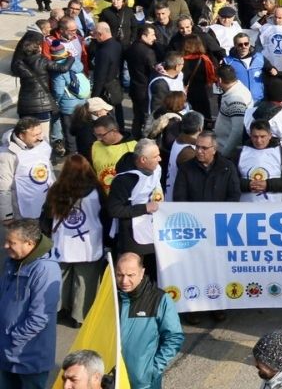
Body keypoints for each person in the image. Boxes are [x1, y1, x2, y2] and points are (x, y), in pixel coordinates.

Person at [40, 154, 106, 328]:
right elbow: (105, 215)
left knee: (60, 278)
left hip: (62, 243)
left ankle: (57, 311)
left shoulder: (56, 189)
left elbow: (46, 216)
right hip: (89, 243)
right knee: (85, 282)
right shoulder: (96, 189)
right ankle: (80, 316)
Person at [0, 219, 60, 389]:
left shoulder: (45, 269)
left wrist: (12, 339)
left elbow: (40, 318)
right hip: (6, 352)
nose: (5, 246)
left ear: (29, 243)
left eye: (11, 242)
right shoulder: (13, 261)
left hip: (28, 355)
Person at [116, 251, 184, 389]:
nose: (124, 281)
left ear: (142, 273)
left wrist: (152, 370)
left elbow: (174, 337)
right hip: (112, 380)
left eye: (130, 275)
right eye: (119, 275)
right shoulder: (109, 297)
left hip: (144, 383)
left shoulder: (159, 299)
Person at [107, 139, 163, 277]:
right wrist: (144, 208)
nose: (160, 159)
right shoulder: (123, 180)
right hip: (131, 236)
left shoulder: (156, 170)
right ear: (143, 160)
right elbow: (114, 210)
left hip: (150, 228)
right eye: (156, 156)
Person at [1, 116, 55, 222]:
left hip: (47, 203)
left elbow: (49, 170)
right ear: (21, 136)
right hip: (23, 211)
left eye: (40, 133)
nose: (40, 137)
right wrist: (7, 215)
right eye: (35, 135)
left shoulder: (41, 144)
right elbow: (3, 188)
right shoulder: (7, 155)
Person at [233, 120, 282, 202]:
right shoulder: (239, 153)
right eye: (255, 136)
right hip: (245, 208)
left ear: (270, 136)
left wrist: (268, 185)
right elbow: (230, 180)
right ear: (250, 135)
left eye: (262, 136)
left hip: (274, 207)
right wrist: (247, 185)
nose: (259, 141)